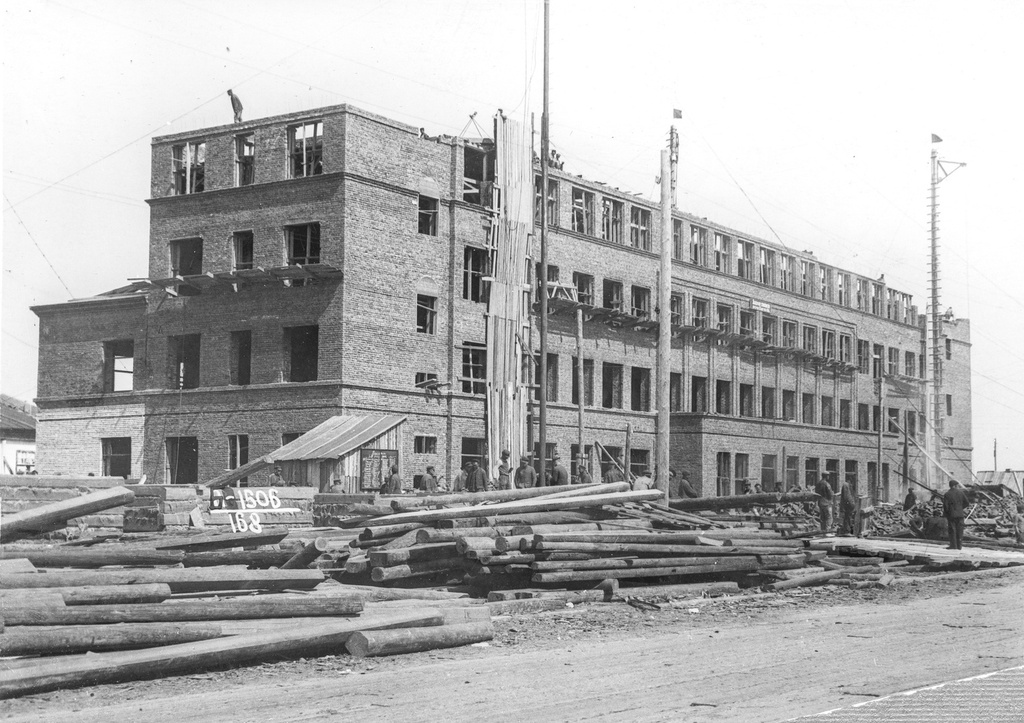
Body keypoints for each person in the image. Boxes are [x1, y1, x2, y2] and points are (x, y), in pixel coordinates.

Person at [943, 479, 970, 550]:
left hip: (951, 515)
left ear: (950, 486)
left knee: (952, 530)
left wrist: (947, 513)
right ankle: (959, 546)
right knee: (960, 530)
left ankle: (953, 546)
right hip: (960, 514)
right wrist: (960, 508)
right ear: (955, 485)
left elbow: (946, 506)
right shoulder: (961, 493)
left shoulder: (947, 494)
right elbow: (967, 503)